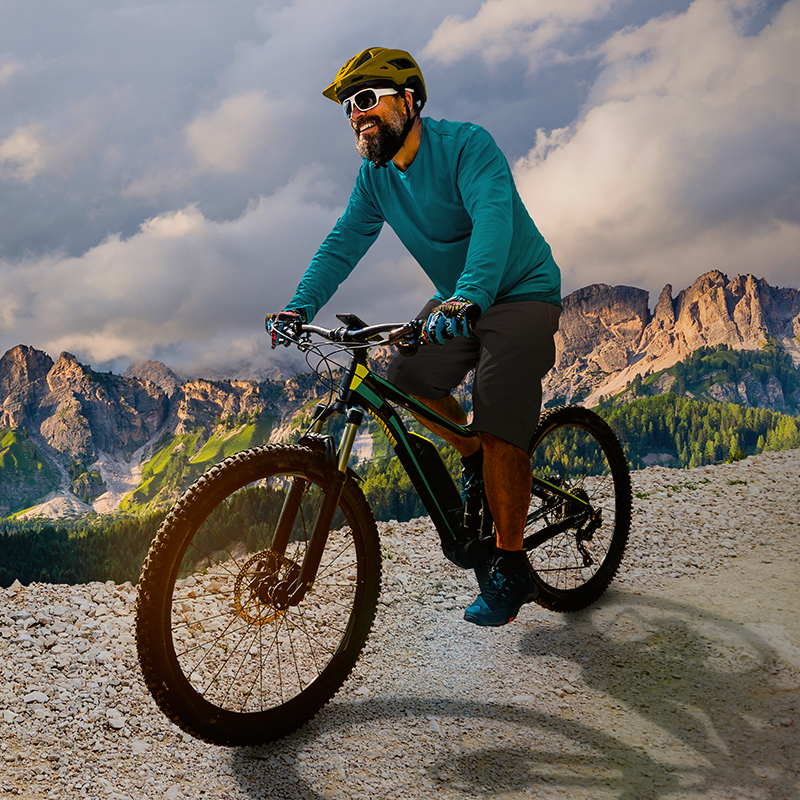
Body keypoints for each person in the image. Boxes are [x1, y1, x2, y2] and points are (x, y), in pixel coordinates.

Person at [266, 47, 561, 627]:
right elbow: (343, 241)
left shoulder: (468, 146)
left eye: (368, 98)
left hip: (518, 291)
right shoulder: (374, 177)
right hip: (459, 298)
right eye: (350, 106)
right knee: (400, 376)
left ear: (408, 100)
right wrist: (299, 306)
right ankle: (473, 452)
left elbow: (493, 220)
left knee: (498, 408)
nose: (357, 113)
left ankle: (511, 562)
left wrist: (471, 296)